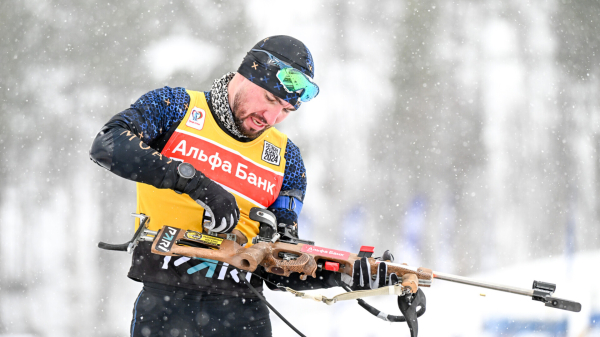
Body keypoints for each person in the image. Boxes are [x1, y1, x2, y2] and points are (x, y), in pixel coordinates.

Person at [90, 35, 398, 337]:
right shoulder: (176, 107)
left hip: (241, 314)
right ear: (246, 73)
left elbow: (282, 262)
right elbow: (108, 144)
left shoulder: (286, 158)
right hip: (166, 306)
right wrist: (197, 184)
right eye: (270, 99)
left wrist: (347, 274)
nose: (272, 117)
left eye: (286, 111)